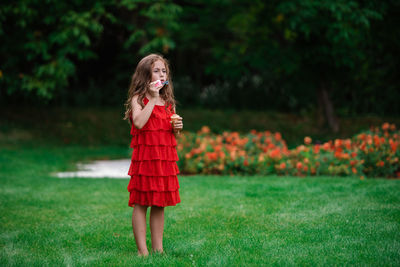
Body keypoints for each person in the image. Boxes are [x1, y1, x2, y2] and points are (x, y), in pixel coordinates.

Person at [123, 53, 183, 256]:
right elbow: (139, 122)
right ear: (145, 75)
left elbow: (168, 130)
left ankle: (158, 249)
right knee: (141, 203)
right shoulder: (138, 99)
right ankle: (143, 251)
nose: (161, 74)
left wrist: (177, 127)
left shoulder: (168, 102)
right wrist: (153, 98)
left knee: (160, 204)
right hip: (145, 159)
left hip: (163, 160)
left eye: (163, 71)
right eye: (156, 70)